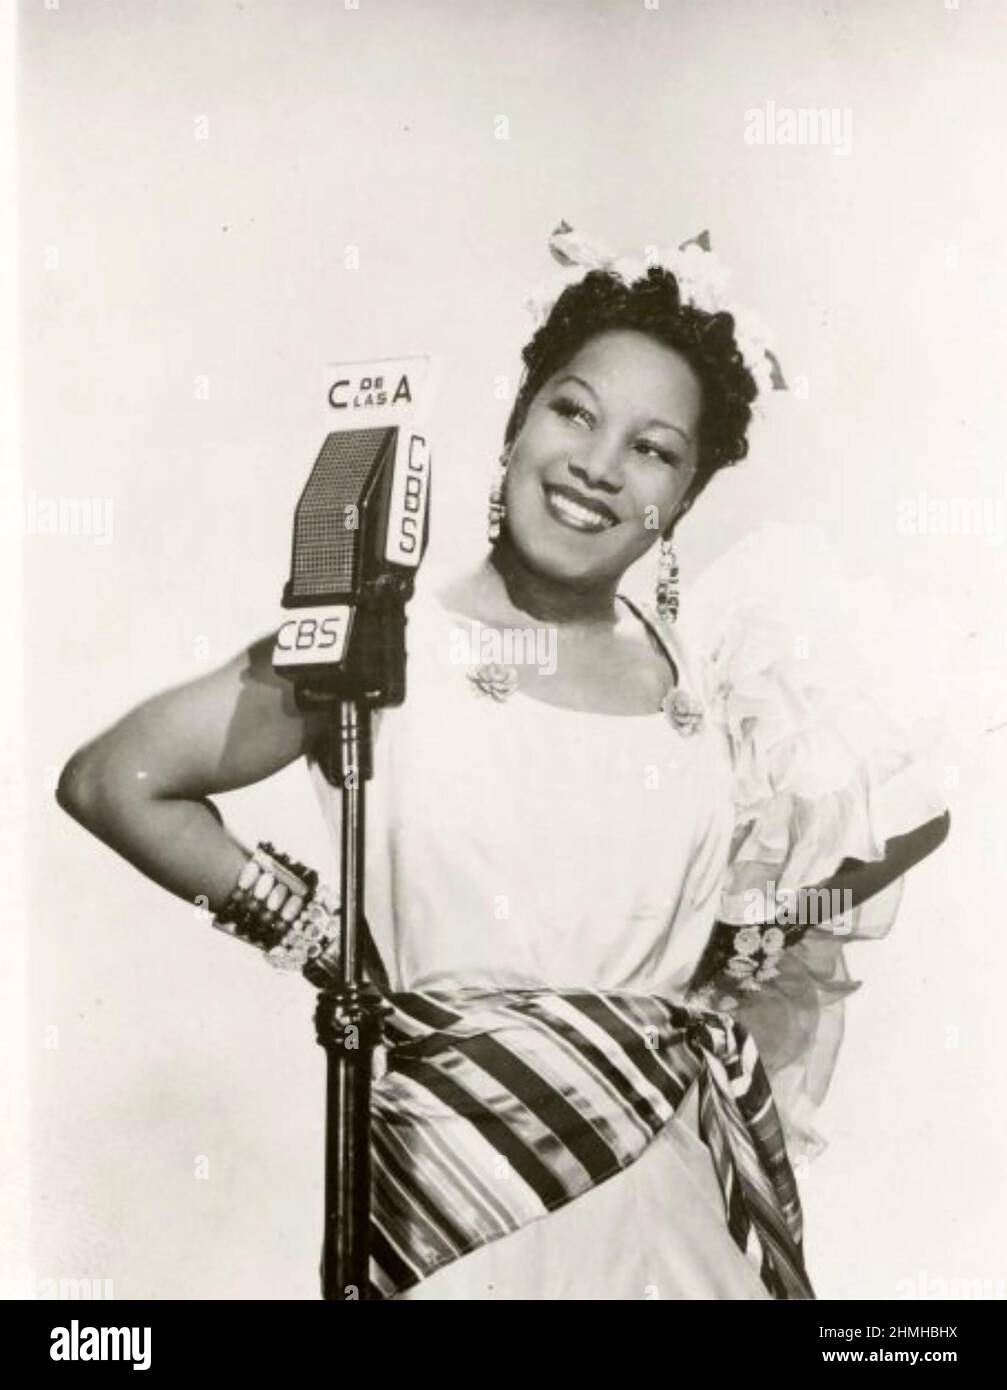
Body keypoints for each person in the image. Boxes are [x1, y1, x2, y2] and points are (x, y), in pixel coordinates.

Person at [57, 224, 950, 1301]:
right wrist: (311, 932)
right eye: (572, 411)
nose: (596, 465)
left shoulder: (706, 681)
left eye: (652, 448)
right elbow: (116, 778)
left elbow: (914, 810)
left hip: (672, 1214)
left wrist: (755, 929)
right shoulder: (383, 647)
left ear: (686, 497)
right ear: (515, 424)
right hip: (458, 1219)